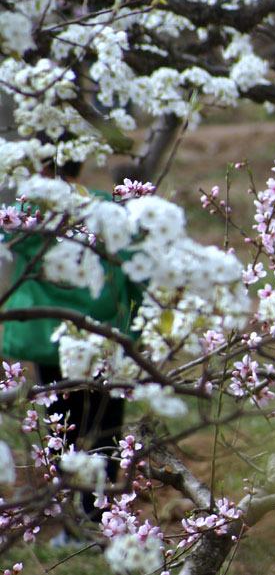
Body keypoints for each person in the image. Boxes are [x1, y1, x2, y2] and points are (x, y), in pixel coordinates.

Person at [1, 134, 142, 543]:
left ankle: (71, 525)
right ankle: (100, 518)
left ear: (39, 166)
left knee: (62, 425)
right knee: (106, 429)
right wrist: (136, 329)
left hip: (51, 338)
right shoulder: (106, 207)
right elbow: (133, 268)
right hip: (107, 335)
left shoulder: (25, 213)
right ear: (80, 164)